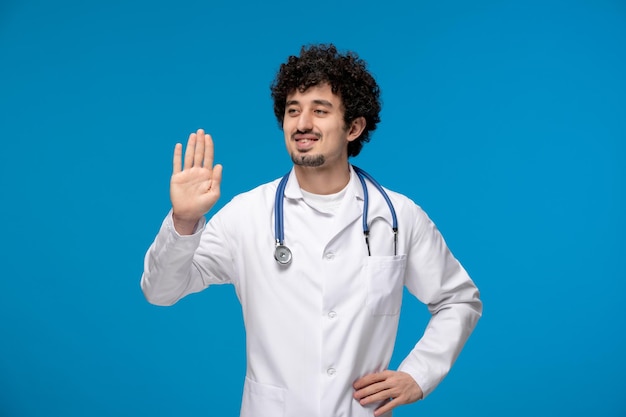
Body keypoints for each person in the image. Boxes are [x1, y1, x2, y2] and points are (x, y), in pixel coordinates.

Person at [141, 44, 482, 417]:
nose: (302, 123)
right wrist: (184, 221)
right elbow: (160, 292)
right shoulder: (246, 215)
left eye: (320, 111)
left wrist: (418, 375)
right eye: (292, 111)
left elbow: (458, 300)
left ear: (353, 127)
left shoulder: (399, 217)